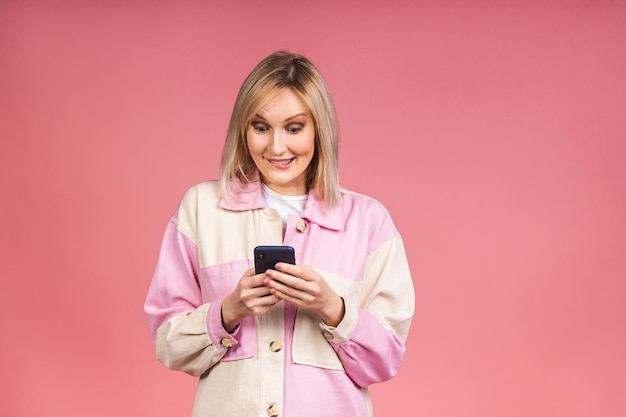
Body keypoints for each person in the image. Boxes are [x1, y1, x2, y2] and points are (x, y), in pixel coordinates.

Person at [144, 51, 415, 417]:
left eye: (293, 127)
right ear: (244, 129)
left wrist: (331, 307)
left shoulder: (369, 221)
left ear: (319, 129)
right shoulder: (201, 209)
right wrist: (228, 311)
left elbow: (385, 360)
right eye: (260, 127)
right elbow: (169, 343)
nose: (276, 147)